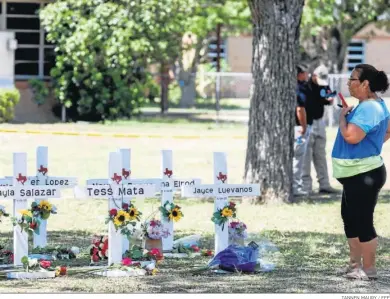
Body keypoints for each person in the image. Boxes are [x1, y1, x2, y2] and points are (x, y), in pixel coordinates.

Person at [331, 63, 390, 280]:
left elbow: (351, 136)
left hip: (364, 174)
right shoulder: (373, 104)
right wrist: (373, 145)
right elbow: (388, 129)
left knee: (363, 221)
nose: (348, 83)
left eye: (353, 79)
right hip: (356, 173)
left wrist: (342, 117)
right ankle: (355, 266)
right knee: (350, 219)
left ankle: (370, 269)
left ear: (365, 84)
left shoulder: (369, 108)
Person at [302, 64, 338, 194]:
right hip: (307, 123)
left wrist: (330, 100)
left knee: (320, 155)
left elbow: (328, 100)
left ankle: (324, 184)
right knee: (306, 155)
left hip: (320, 122)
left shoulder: (324, 85)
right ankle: (306, 186)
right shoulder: (306, 87)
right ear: (314, 76)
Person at [293, 65, 312, 196]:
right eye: (305, 73)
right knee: (298, 157)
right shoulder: (299, 89)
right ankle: (295, 187)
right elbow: (300, 109)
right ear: (299, 74)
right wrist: (304, 126)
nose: (306, 75)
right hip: (299, 127)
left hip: (294, 126)